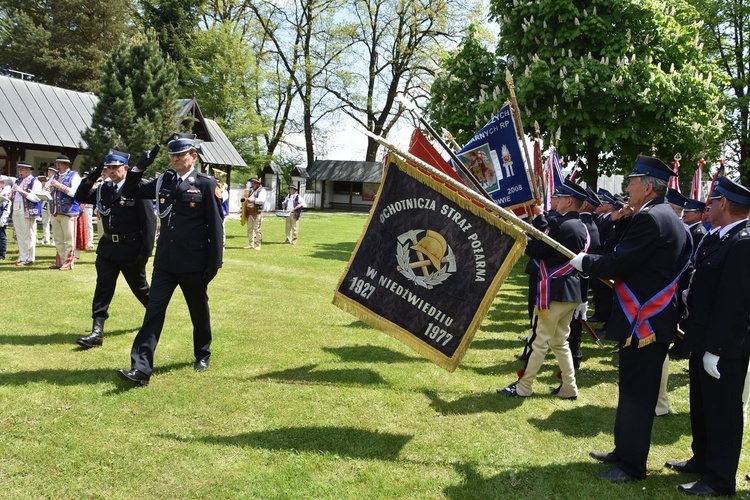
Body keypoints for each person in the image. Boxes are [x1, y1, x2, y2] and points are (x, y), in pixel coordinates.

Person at [570, 155, 692, 483]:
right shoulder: (664, 216)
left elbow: (618, 262)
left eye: (632, 182)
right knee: (631, 390)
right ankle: (623, 451)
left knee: (638, 396)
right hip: (647, 320)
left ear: (648, 186)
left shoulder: (652, 219)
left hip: (646, 322)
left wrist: (584, 262)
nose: (627, 187)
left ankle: (632, 466)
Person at [116, 134, 223, 385]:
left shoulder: (206, 184)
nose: (175, 158)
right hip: (165, 262)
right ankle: (141, 369)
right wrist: (139, 167)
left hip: (194, 262)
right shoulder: (164, 181)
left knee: (198, 311)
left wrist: (214, 263)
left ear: (193, 156)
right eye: (172, 155)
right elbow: (130, 191)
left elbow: (215, 227)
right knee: (153, 312)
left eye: (180, 154)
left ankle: (202, 354)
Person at [665, 177, 750, 497]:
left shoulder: (743, 242)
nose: (707, 206)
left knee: (723, 413)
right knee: (702, 406)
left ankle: (719, 479)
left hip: (725, 346)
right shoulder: (719, 238)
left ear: (724, 204)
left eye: (712, 201)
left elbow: (735, 304)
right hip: (703, 338)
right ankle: (701, 459)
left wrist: (715, 348)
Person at [498, 179, 590, 399]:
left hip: (554, 292)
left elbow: (539, 250)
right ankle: (569, 386)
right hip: (571, 292)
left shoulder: (560, 225)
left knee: (538, 341)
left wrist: (520, 235)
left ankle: (524, 386)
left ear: (569, 201)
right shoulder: (581, 227)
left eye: (560, 198)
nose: (555, 201)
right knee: (560, 342)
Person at [72, 150, 156, 348]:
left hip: (131, 249)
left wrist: (145, 253)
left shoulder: (137, 188)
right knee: (103, 288)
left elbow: (149, 224)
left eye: (115, 167)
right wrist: (93, 176)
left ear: (125, 168)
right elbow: (80, 196)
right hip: (108, 248)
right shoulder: (103, 189)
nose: (111, 171)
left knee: (141, 288)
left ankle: (155, 316)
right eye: (108, 167)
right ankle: (96, 331)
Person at [48, 154, 81, 270]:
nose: (57, 166)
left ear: (64, 164)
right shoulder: (55, 176)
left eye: (58, 164)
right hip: (55, 211)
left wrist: (60, 186)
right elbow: (48, 188)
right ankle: (60, 261)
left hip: (69, 211)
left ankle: (68, 262)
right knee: (58, 238)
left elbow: (76, 193)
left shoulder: (74, 176)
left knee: (69, 238)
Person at [11, 161, 43, 266]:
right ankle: (22, 256)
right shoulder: (18, 180)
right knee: (19, 234)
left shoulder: (35, 182)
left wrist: (20, 191)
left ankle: (29, 258)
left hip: (27, 210)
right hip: (16, 207)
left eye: (23, 169)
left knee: (28, 234)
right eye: (20, 169)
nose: (21, 171)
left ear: (29, 170)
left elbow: (36, 198)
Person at [242, 178, 266, 250]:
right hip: (249, 212)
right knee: (249, 229)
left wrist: (253, 200)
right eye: (253, 183)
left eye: (255, 183)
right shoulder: (251, 190)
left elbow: (261, 200)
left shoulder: (262, 190)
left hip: (256, 212)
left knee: (257, 229)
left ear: (258, 184)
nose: (253, 184)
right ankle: (251, 244)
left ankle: (258, 244)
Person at [40, 165, 57, 245]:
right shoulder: (46, 181)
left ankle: (54, 239)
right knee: (45, 221)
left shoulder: (56, 181)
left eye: (51, 172)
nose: (49, 173)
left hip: (51, 202)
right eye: (48, 172)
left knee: (53, 221)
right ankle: (46, 238)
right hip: (44, 202)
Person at [0, 176, 11, 260]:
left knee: (2, 236)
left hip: (2, 217)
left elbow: (6, 208)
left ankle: (2, 254)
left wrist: (3, 219)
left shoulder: (6, 193)